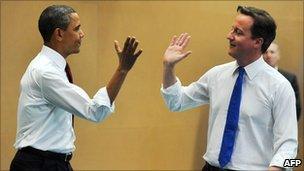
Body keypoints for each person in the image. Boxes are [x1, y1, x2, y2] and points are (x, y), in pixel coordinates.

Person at [161, 6, 297, 170]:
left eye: (238, 32)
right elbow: (177, 102)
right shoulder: (217, 75)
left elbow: (288, 145)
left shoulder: (280, 87)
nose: (229, 35)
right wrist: (168, 67)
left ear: (257, 42)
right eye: (232, 29)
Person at [10, 5, 142, 171]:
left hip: (51, 162)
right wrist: (122, 70)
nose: (82, 34)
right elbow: (94, 111)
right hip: (40, 164)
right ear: (59, 34)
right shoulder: (45, 72)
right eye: (77, 28)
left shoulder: (50, 67)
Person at [264, 42, 301, 121]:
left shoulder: (290, 78)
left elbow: (296, 108)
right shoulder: (255, 77)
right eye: (265, 52)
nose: (268, 55)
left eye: (272, 52)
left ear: (278, 55)